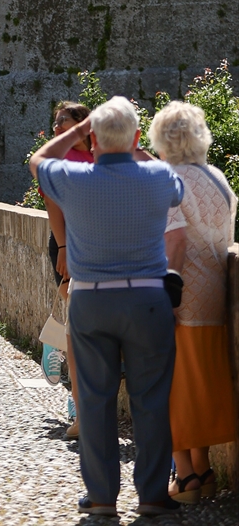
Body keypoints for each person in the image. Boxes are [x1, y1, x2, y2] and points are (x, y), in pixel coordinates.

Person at [31, 96, 184, 520]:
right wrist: (132, 144)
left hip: (91, 299)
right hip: (147, 300)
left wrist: (81, 134)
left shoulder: (74, 177)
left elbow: (38, 160)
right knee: (151, 400)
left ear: (93, 138)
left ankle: (101, 498)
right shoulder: (156, 176)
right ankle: (152, 496)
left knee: (95, 401)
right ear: (136, 137)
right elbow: (175, 186)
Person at [152, 101, 237, 504]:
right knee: (201, 385)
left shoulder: (168, 179)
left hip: (181, 296)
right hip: (216, 297)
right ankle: (201, 469)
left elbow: (174, 243)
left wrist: (165, 299)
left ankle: (184, 476)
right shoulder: (218, 178)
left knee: (174, 386)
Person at [39, 101, 92, 437]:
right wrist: (63, 247)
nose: (57, 127)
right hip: (66, 245)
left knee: (81, 329)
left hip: (93, 247)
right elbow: (52, 206)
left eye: (63, 121)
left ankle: (53, 344)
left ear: (82, 124)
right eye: (55, 122)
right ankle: (78, 408)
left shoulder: (102, 154)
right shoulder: (58, 161)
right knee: (78, 326)